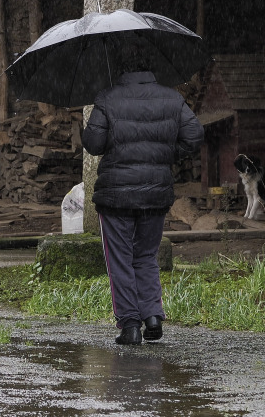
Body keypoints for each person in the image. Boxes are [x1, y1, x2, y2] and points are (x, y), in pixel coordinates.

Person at [82, 63, 203, 345]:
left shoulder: (107, 97)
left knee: (120, 259)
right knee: (147, 256)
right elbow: (195, 136)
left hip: (116, 196)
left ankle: (130, 326)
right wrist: (164, 155)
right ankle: (152, 316)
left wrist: (90, 125)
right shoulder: (171, 98)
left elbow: (94, 145)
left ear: (120, 70)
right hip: (155, 193)